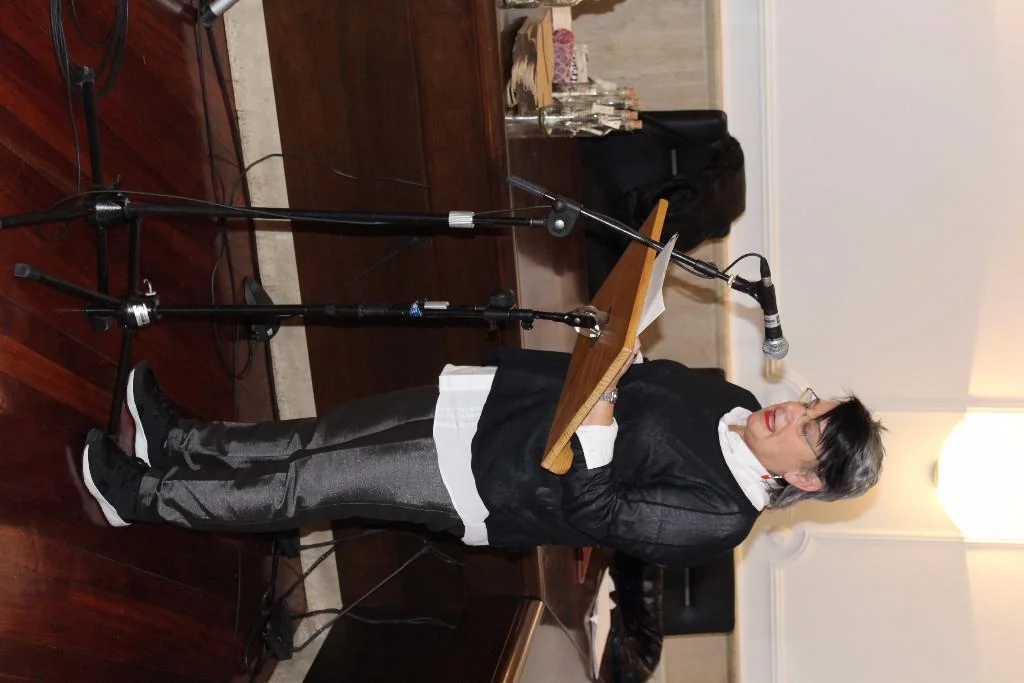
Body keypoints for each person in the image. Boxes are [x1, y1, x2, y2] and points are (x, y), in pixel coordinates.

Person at [80, 346, 885, 568]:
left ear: (803, 477)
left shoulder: (722, 518)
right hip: (501, 402)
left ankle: (142, 497)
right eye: (813, 403)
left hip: (488, 480)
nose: (793, 410)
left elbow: (599, 514)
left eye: (809, 429)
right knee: (314, 436)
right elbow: (638, 386)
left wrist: (602, 427)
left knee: (311, 483)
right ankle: (179, 441)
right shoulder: (735, 399)